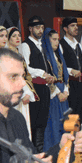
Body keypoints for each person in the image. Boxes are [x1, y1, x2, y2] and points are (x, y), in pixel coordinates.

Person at [19, 15, 56, 150]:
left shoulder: (41, 45)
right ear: (30, 29)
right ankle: (34, 152)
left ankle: (39, 150)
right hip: (34, 88)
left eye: (42, 28)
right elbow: (25, 67)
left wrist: (49, 76)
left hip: (44, 88)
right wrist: (41, 73)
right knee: (35, 122)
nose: (40, 30)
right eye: (37, 27)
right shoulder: (25, 45)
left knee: (42, 122)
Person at [42, 28, 70, 152]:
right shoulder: (45, 57)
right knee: (54, 123)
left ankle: (66, 150)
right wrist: (58, 93)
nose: (56, 42)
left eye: (57, 39)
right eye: (53, 39)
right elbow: (47, 77)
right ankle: (54, 151)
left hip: (63, 92)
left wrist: (66, 91)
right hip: (53, 94)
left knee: (64, 123)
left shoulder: (58, 56)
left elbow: (64, 76)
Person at [7, 26, 36, 137]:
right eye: (14, 36)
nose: (17, 38)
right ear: (8, 39)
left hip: (24, 92)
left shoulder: (19, 55)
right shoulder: (7, 55)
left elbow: (26, 76)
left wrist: (28, 92)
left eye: (19, 35)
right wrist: (22, 94)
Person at [60, 17, 82, 121]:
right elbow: (59, 65)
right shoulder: (61, 44)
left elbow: (81, 62)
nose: (76, 28)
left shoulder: (78, 45)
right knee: (71, 116)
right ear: (65, 29)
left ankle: (78, 132)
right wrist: (70, 70)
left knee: (81, 115)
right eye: (72, 26)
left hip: (81, 86)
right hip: (69, 85)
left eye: (76, 25)